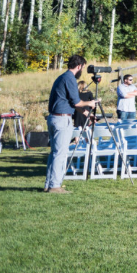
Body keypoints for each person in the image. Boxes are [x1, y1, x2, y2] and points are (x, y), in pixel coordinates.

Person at [44, 55, 100, 193]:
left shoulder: (62, 77)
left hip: (55, 117)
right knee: (60, 154)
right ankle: (55, 186)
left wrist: (87, 114)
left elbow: (70, 102)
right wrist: (90, 103)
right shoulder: (70, 79)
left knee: (55, 153)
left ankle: (49, 184)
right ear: (79, 66)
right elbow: (77, 102)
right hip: (62, 119)